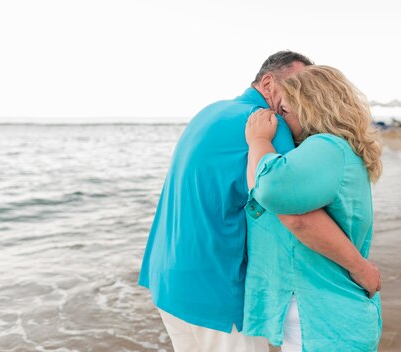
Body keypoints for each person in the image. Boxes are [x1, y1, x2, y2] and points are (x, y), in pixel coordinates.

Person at [138, 52, 381, 352]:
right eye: (294, 85)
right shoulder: (269, 124)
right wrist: (361, 268)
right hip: (216, 291)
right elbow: (297, 215)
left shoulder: (209, 112)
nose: (295, 98)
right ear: (268, 82)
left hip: (167, 279)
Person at [243, 65, 383, 351]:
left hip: (326, 317)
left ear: (309, 107)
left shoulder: (326, 147)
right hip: (334, 313)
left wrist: (258, 140)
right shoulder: (341, 150)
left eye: (284, 111)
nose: (281, 120)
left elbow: (270, 188)